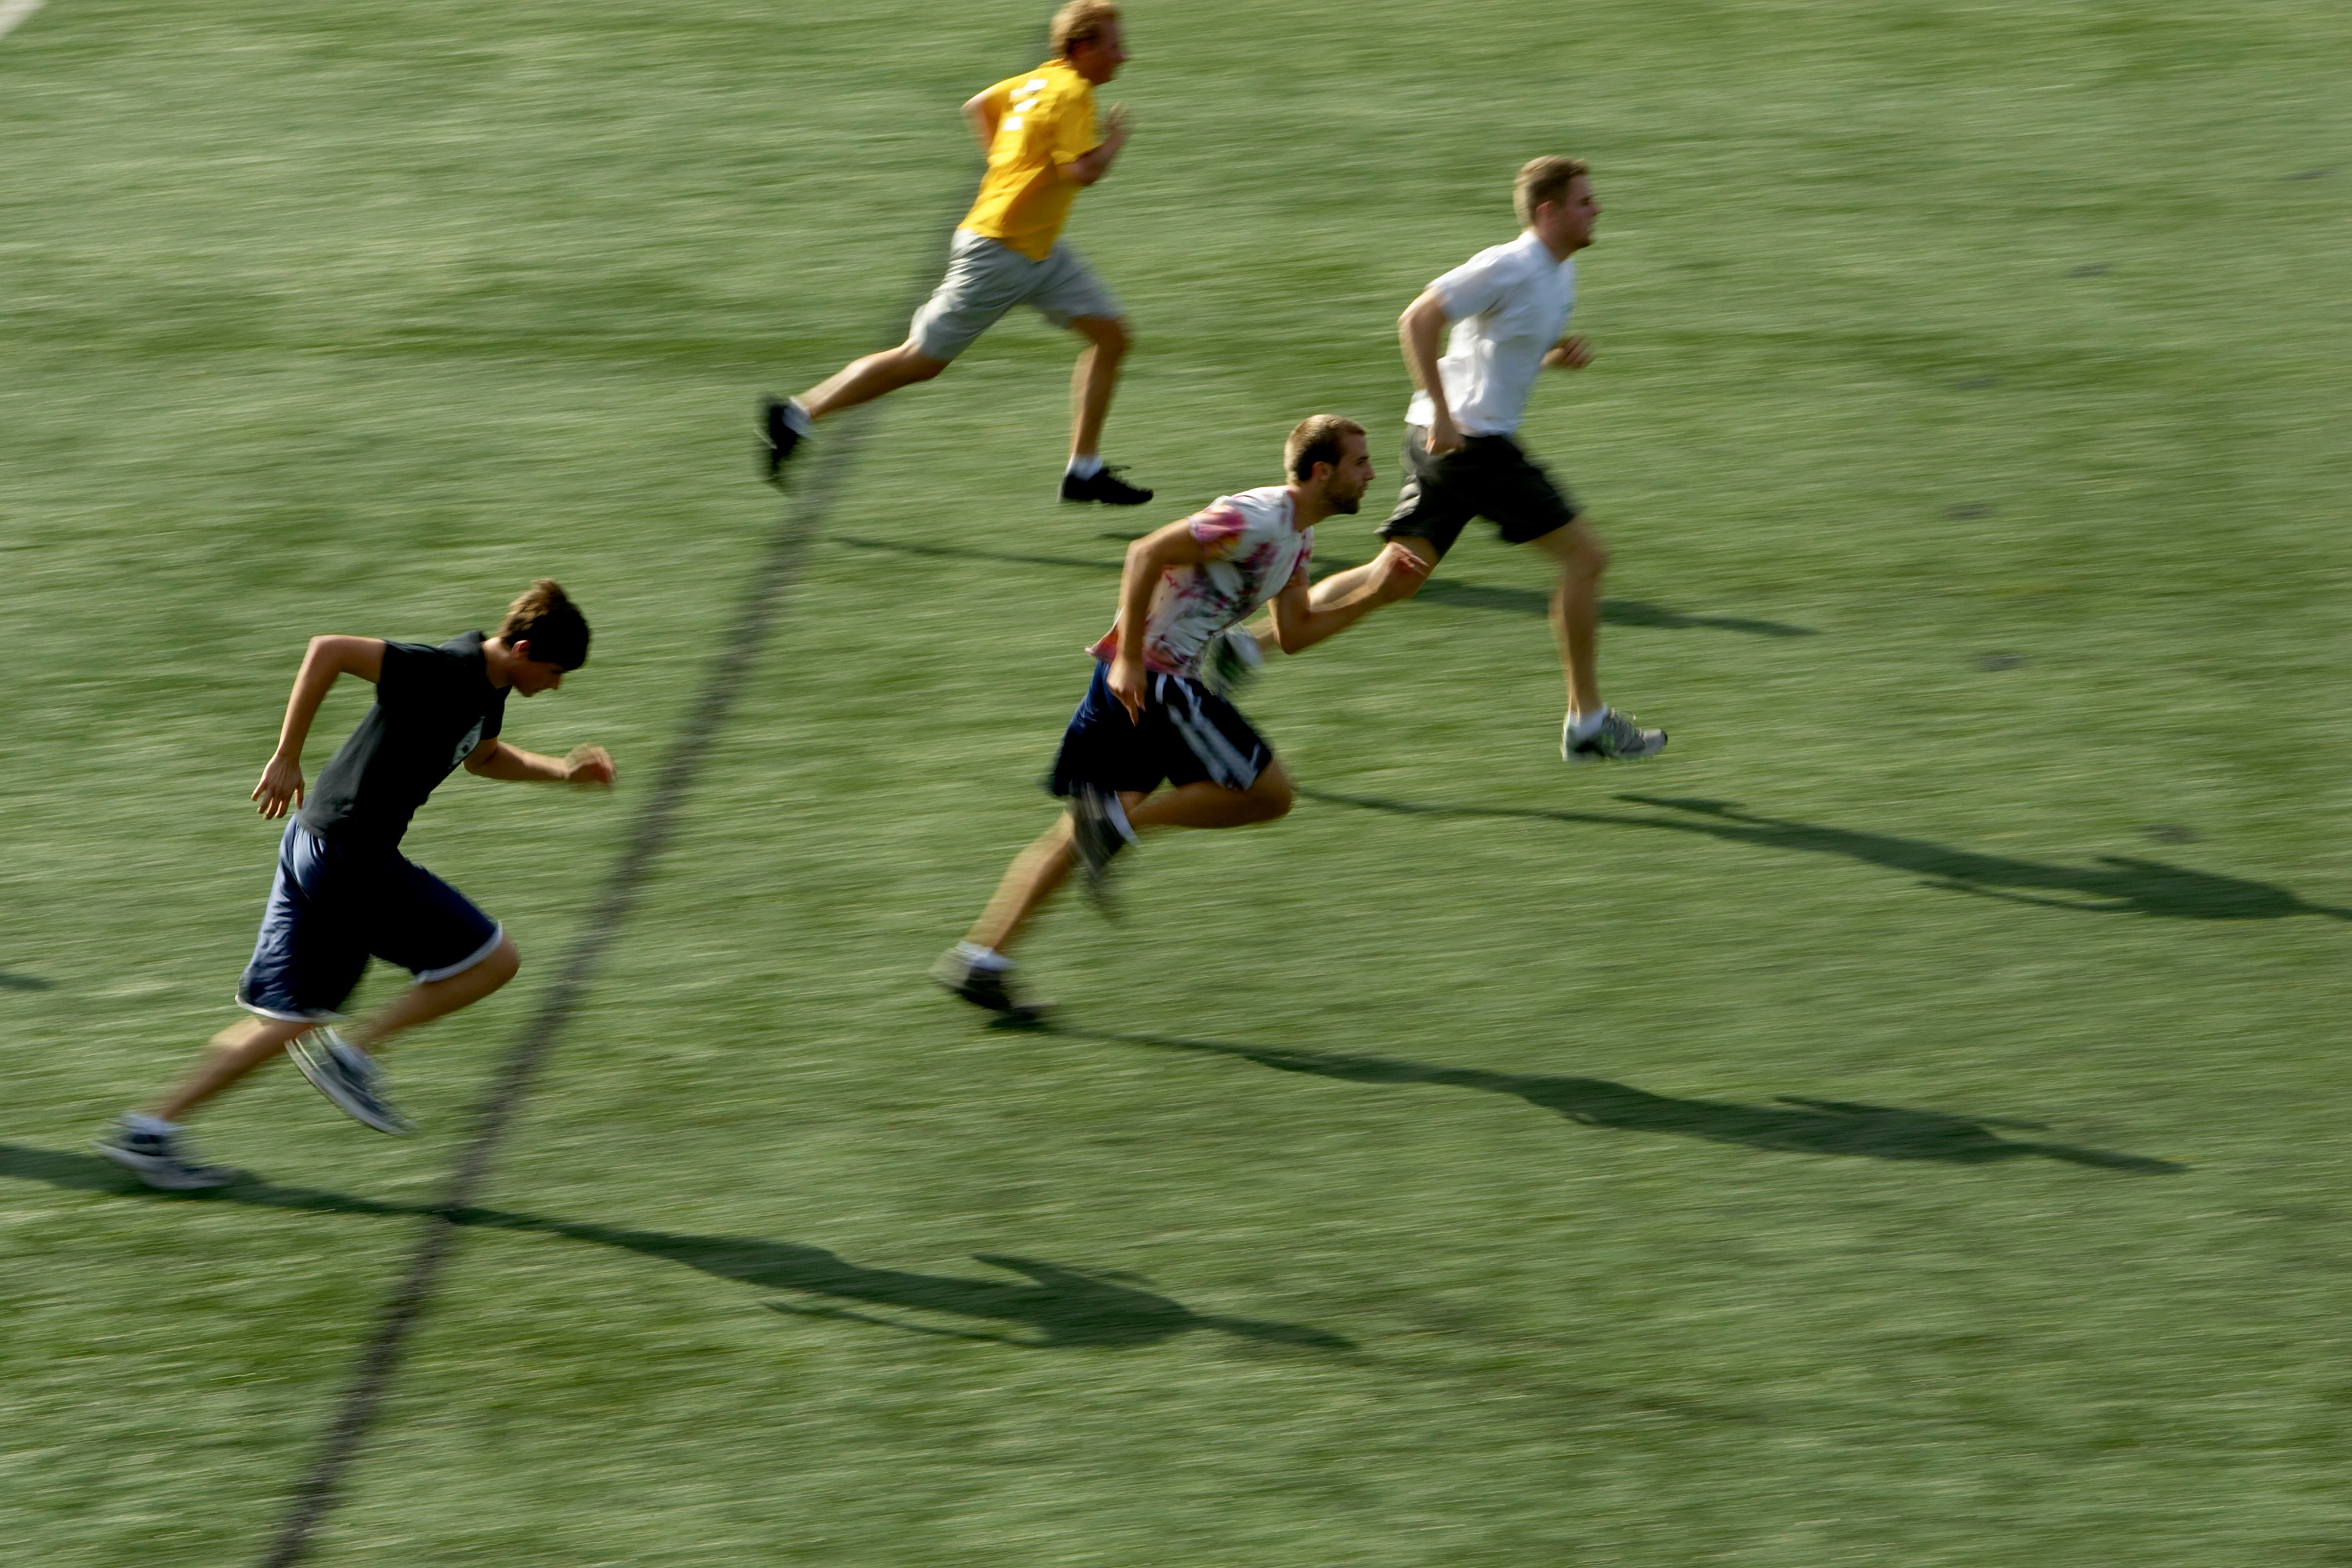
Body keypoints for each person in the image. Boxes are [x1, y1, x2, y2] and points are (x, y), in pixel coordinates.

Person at [95, 581, 618, 1190]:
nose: (556, 686)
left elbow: (484, 757)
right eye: (555, 672)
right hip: (348, 854)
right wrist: (287, 754)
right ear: (524, 650)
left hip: (313, 842)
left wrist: (564, 771)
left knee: (289, 1018)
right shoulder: (445, 668)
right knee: (494, 960)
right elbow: (329, 650)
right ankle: (357, 1055)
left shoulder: (489, 689)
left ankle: (148, 1129)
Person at [931, 416, 1430, 1018]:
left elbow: (1295, 632)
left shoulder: (1297, 538)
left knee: (1075, 831)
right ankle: (1119, 828)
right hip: (1156, 680)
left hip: (1146, 682)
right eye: (1361, 463)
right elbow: (1147, 551)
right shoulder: (1254, 520)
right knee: (1270, 794)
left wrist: (1376, 595)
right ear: (1323, 472)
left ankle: (983, 958)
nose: (1372, 473)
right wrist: (1132, 660)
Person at [1297, 156, 1666, 763]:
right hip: (1468, 444)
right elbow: (1417, 318)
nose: (1596, 209)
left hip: (1455, 440)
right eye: (1584, 201)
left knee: (1396, 575)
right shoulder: (1509, 263)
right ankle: (1588, 721)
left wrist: (1551, 359)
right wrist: (1443, 413)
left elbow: (1494, 351)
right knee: (1586, 557)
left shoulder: (1558, 273)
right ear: (1548, 213)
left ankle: (1248, 646)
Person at [760, 0, 1153, 506]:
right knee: (918, 360)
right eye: (1116, 46)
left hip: (1038, 249)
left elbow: (978, 105)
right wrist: (1116, 140)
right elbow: (1083, 173)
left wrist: (1010, 167)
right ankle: (796, 415)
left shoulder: (1035, 81)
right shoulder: (1073, 93)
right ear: (1083, 48)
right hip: (1000, 254)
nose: (1125, 57)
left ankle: (1084, 469)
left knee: (1112, 337)